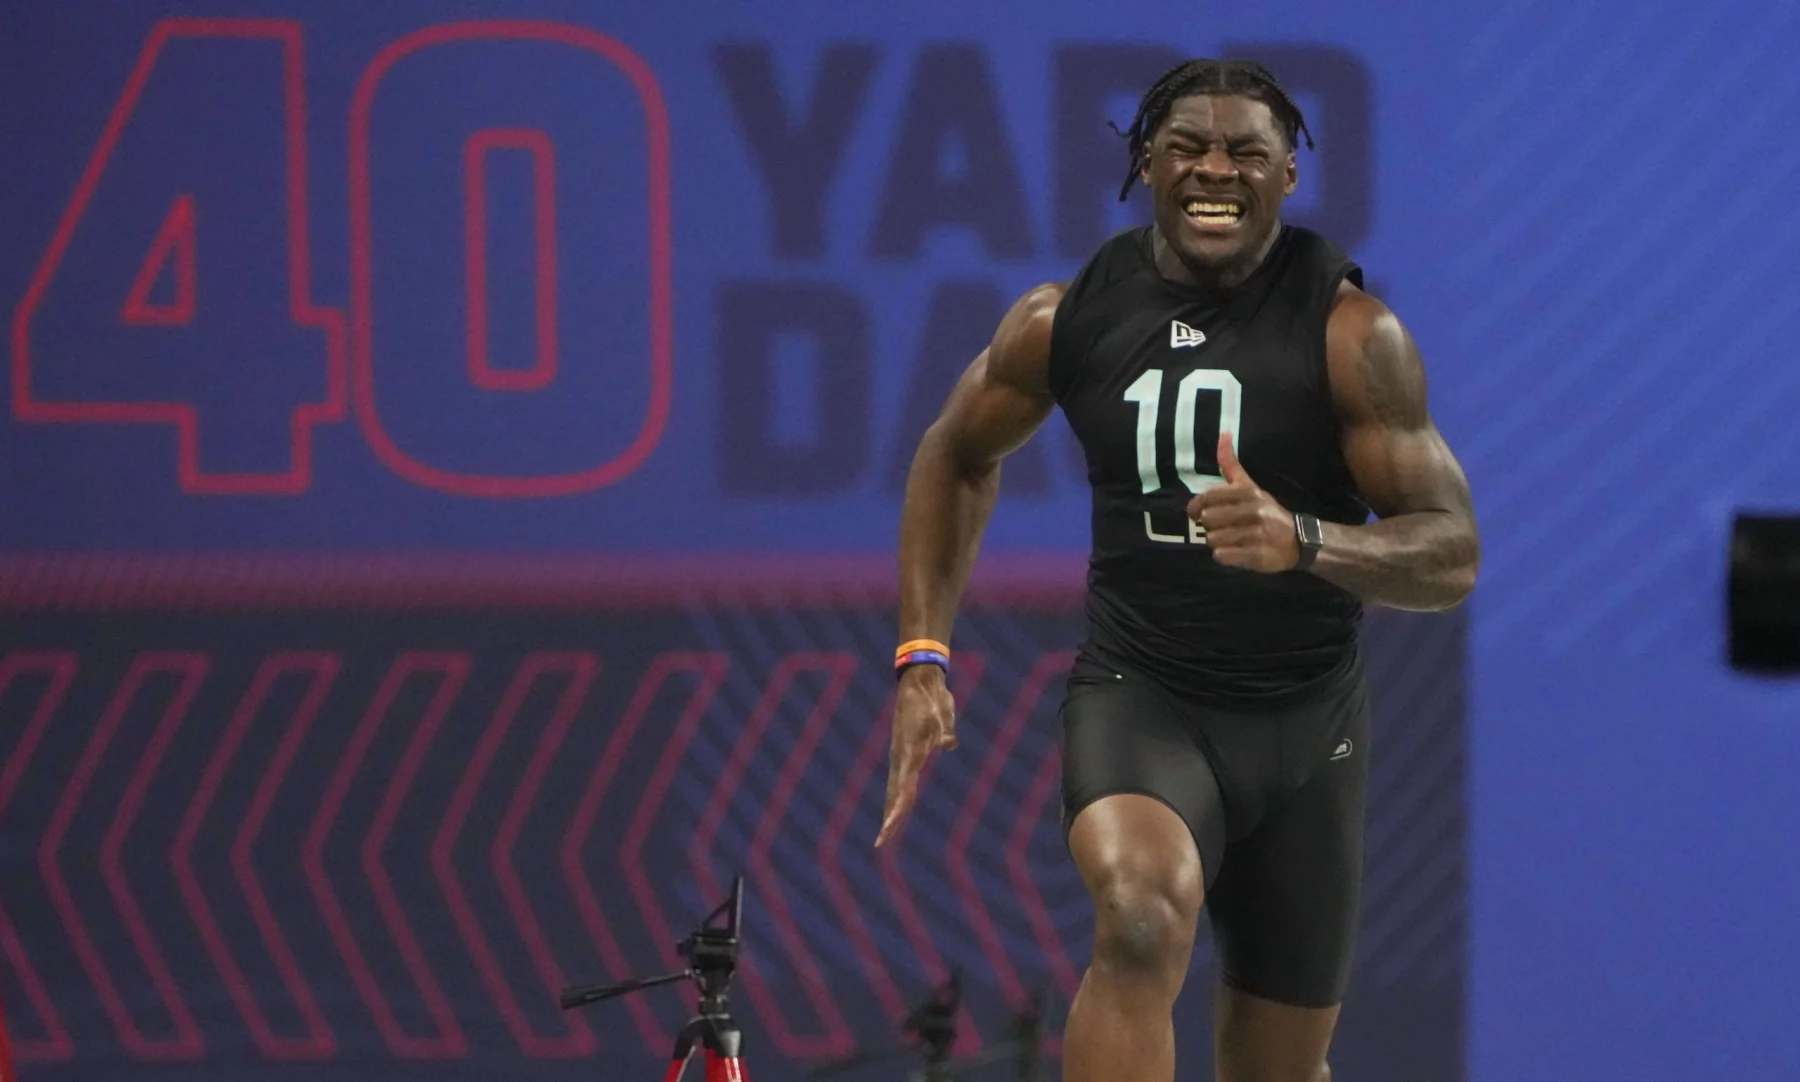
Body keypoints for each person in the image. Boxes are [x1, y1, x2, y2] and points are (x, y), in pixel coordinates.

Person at [874, 58, 1480, 1082]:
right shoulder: (1064, 321)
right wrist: (922, 653)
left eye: (1248, 152)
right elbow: (953, 452)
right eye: (1187, 148)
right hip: (1143, 695)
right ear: (1144, 166)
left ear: (1289, 177)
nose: (1215, 170)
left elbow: (1452, 548)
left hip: (1307, 725)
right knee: (1141, 918)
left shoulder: (1353, 338)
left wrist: (1308, 538)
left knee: (1279, 1068)